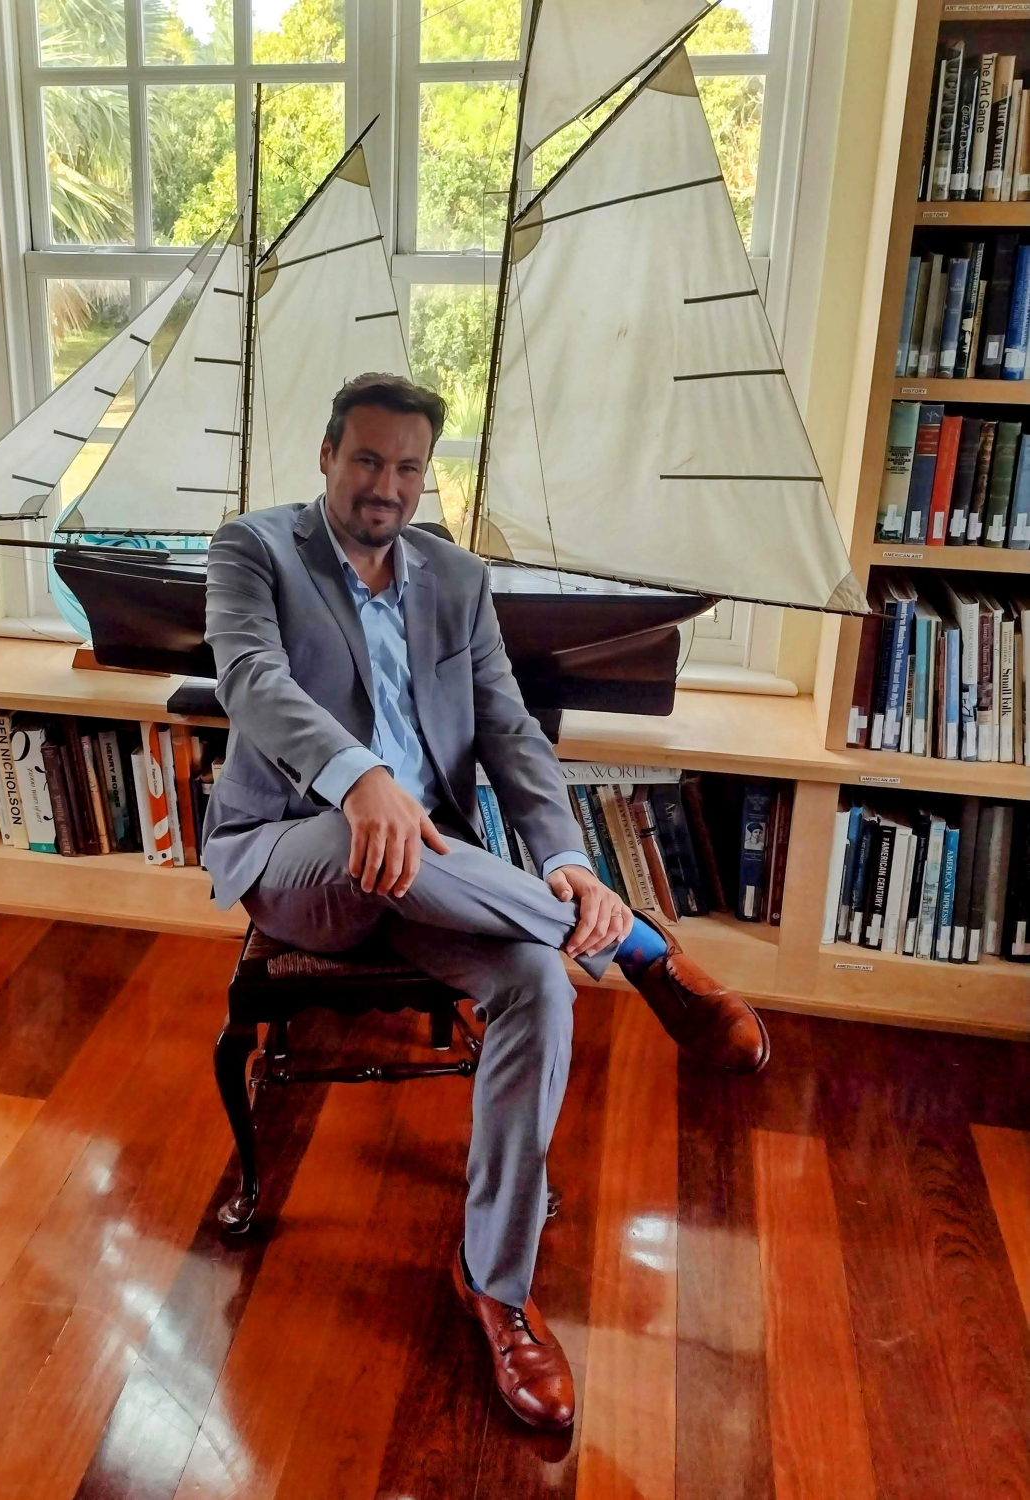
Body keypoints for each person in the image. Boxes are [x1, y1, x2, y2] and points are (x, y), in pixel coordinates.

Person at [202, 372, 769, 1433]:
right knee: (379, 830)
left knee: (536, 990)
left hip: (436, 869)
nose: (386, 486)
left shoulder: (455, 580)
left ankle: (498, 1289)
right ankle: (644, 949)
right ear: (327, 455)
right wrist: (357, 774)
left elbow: (509, 732)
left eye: (408, 468)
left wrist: (566, 858)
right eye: (367, 460)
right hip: (295, 852)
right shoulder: (254, 549)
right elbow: (247, 677)